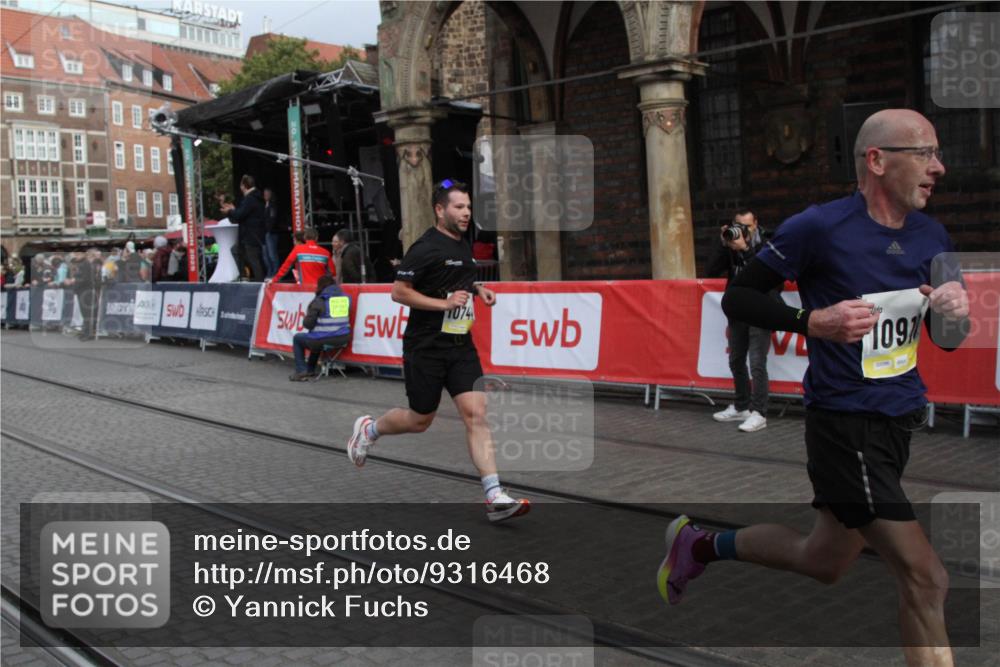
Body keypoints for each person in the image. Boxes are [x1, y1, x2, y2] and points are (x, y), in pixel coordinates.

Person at [657, 109, 969, 667]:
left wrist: (952, 312)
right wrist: (811, 321)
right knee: (926, 578)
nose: (938, 168)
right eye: (924, 154)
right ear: (877, 160)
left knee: (822, 559)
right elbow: (739, 296)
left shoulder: (933, 234)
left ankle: (699, 544)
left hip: (897, 422)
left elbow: (948, 337)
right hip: (843, 425)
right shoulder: (820, 227)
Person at [346, 180, 530, 523]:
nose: (466, 213)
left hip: (460, 346)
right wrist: (443, 304)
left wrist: (478, 289)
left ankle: (494, 495)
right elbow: (399, 292)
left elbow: (453, 276)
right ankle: (370, 430)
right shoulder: (424, 247)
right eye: (459, 208)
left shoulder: (463, 243)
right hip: (425, 347)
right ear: (440, 209)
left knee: (476, 414)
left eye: (469, 208)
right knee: (420, 420)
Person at [705, 209, 779, 432]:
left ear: (755, 224)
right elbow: (710, 270)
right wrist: (723, 244)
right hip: (738, 310)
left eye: (747, 226)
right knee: (736, 360)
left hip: (760, 309)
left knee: (757, 363)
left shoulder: (767, 244)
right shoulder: (730, 246)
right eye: (738, 225)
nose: (742, 231)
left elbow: (767, 274)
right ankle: (741, 405)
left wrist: (745, 250)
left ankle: (759, 412)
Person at [289, 274, 351, 381]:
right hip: (343, 338)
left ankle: (301, 371)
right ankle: (310, 369)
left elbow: (308, 324)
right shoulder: (345, 298)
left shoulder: (319, 301)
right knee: (316, 335)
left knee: (298, 338)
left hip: (325, 339)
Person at [221, 175, 267, 281]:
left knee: (253, 259)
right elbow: (242, 214)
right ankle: (246, 276)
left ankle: (259, 282)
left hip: (250, 235)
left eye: (241, 185)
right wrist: (234, 210)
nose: (240, 188)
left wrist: (229, 211)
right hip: (253, 234)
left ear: (244, 186)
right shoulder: (256, 198)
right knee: (237, 251)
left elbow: (239, 215)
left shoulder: (250, 199)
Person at [268, 227, 335, 288]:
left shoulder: (298, 250)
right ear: (317, 238)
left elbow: (286, 267)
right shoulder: (325, 252)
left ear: (305, 237)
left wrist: (274, 280)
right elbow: (332, 272)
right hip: (321, 288)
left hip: (304, 289)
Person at [64, 248, 102, 340]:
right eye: (76, 254)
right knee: (84, 313)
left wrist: (74, 280)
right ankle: (85, 331)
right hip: (81, 290)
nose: (76, 256)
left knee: (87, 313)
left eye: (78, 254)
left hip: (86, 290)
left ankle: (89, 333)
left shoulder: (86, 264)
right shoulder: (81, 264)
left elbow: (85, 278)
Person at [262, 187, 282, 278]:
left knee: (272, 254)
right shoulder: (264, 205)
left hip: (271, 233)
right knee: (265, 256)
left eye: (267, 194)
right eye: (264, 194)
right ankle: (270, 272)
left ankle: (275, 273)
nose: (265, 195)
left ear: (271, 195)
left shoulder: (273, 206)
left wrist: (269, 230)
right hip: (264, 233)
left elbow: (273, 219)